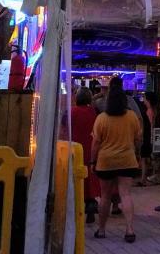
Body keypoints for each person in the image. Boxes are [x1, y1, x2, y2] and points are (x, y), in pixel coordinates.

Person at [91, 77, 142, 243]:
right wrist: (138, 155)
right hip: (127, 160)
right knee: (125, 194)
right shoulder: (132, 117)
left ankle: (102, 229)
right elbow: (138, 139)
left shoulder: (102, 119)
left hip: (106, 162)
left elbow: (96, 143)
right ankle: (130, 229)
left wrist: (93, 162)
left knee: (105, 197)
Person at [71, 87, 100, 224]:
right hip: (90, 149)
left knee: (76, 177)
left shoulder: (72, 112)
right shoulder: (93, 112)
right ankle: (91, 202)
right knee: (90, 177)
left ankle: (78, 207)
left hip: (75, 149)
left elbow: (64, 129)